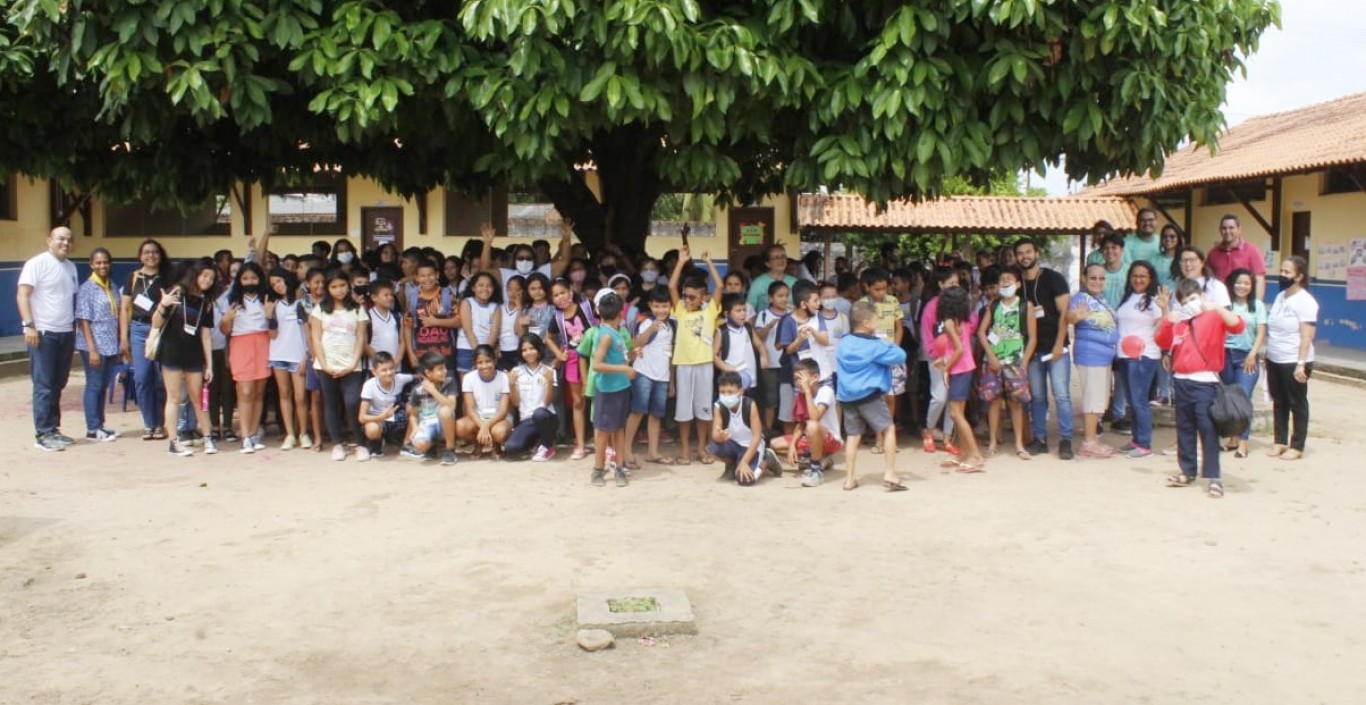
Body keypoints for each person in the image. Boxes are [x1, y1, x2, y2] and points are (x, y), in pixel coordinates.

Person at [1157, 279, 1246, 499]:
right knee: (1185, 427)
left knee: (1208, 429)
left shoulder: (1214, 316)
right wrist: (1166, 316)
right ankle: (1187, 471)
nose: (1190, 304)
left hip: (1205, 382)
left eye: (1194, 299)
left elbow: (1238, 326)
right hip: (1180, 380)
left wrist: (1215, 307)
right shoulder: (1180, 321)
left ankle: (1214, 476)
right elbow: (1162, 340)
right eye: (1185, 301)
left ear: (1203, 297)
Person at [836, 301, 909, 492]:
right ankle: (890, 473)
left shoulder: (844, 342)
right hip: (869, 395)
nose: (879, 322)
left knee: (853, 436)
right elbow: (900, 355)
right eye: (876, 320)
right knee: (889, 428)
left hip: (847, 396)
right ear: (867, 323)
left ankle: (849, 479)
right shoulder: (876, 346)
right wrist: (883, 342)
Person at [1016, 237, 1075, 460]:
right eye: (1020, 253)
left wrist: (1060, 343)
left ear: (1037, 253)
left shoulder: (1054, 279)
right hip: (1031, 351)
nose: (1025, 256)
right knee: (1037, 397)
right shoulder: (1017, 283)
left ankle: (1066, 440)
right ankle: (1039, 439)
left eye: (1028, 251)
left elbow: (1065, 314)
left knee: (1061, 395)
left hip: (1056, 349)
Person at [152, 261, 218, 457]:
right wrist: (163, 305)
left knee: (198, 398)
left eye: (212, 278)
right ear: (196, 274)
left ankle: (208, 438)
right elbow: (156, 323)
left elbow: (205, 336)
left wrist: (210, 365)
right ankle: (173, 442)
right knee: (174, 398)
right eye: (205, 275)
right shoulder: (177, 292)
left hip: (194, 354)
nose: (208, 280)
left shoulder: (206, 303)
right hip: (171, 352)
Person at [668, 242, 724, 466]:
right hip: (683, 365)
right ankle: (684, 449)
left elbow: (720, 287)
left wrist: (709, 262)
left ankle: (702, 447)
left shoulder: (710, 311)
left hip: (704, 364)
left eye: (692, 297)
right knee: (684, 411)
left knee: (704, 409)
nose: (687, 300)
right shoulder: (680, 311)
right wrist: (681, 262)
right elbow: (672, 287)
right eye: (686, 296)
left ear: (704, 297)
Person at [977, 265, 1035, 460]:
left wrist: (1024, 363)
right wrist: (991, 357)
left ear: (1018, 284)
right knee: (993, 402)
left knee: (1016, 403)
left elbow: (1033, 338)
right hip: (993, 362)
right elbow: (982, 333)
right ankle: (993, 442)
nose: (1005, 283)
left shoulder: (1026, 306)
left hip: (1015, 361)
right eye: (1002, 279)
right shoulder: (993, 306)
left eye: (1009, 279)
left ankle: (1019, 443)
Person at [310, 269, 369, 461]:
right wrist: (324, 364)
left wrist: (353, 363)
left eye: (342, 285)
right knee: (331, 404)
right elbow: (316, 338)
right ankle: (337, 444)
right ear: (328, 288)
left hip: (352, 365)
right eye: (334, 287)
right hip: (327, 365)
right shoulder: (319, 309)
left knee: (352, 403)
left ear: (349, 285)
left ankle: (361, 443)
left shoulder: (358, 309)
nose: (339, 290)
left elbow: (361, 337)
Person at [1265, 255, 1317, 461]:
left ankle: (1297, 445)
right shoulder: (1280, 297)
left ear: (1299, 276)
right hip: (1275, 356)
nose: (1282, 275)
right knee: (1279, 400)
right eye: (1282, 271)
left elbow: (1307, 335)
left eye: (1287, 272)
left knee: (1297, 402)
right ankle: (1280, 441)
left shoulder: (1305, 301)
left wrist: (1301, 364)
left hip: (1293, 359)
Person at [120, 238, 171, 441]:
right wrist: (123, 336)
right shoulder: (132, 278)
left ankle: (161, 423)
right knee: (142, 378)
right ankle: (149, 424)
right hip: (139, 331)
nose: (151, 255)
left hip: (160, 330)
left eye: (155, 252)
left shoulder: (166, 278)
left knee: (160, 380)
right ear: (141, 256)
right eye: (147, 252)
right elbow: (124, 308)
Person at [1113, 261, 1165, 459]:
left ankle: (1144, 444)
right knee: (1132, 401)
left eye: (1143, 276)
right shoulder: (1128, 297)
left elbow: (1163, 327)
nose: (1138, 279)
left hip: (1143, 356)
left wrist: (1164, 308)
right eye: (1135, 275)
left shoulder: (1154, 301)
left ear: (1150, 278)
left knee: (1139, 400)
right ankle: (1136, 439)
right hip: (1125, 356)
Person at [1068, 264, 1120, 459]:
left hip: (1104, 356)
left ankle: (1093, 438)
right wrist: (1076, 316)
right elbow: (1070, 317)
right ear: (1084, 278)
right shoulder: (1080, 298)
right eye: (1093, 278)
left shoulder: (1102, 300)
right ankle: (1089, 442)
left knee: (1099, 398)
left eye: (1101, 278)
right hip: (1091, 356)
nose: (1097, 282)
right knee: (1093, 397)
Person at [544, 278, 597, 460]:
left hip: (594, 356)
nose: (560, 297)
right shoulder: (557, 318)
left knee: (600, 399)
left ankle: (604, 442)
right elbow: (548, 338)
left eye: (563, 292)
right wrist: (559, 355)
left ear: (571, 290)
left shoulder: (587, 306)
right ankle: (580, 445)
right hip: (573, 359)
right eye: (556, 295)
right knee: (578, 401)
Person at [221, 263, 272, 451]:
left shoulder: (267, 298)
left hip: (263, 343)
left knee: (259, 392)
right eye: (245, 278)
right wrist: (227, 319)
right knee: (245, 391)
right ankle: (245, 436)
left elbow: (273, 326)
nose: (250, 282)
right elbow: (225, 330)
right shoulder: (232, 300)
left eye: (253, 278)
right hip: (241, 344)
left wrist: (269, 315)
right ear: (239, 281)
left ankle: (253, 433)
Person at [935, 287, 985, 472]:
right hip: (965, 368)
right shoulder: (962, 320)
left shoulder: (949, 322)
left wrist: (946, 368)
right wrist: (944, 360)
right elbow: (958, 347)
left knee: (956, 414)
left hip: (959, 370)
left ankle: (975, 455)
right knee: (958, 415)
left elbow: (959, 350)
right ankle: (963, 454)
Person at [74, 248, 122, 442]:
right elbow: (83, 320)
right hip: (94, 345)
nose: (103, 266)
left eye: (106, 262)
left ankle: (100, 425)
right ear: (91, 264)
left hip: (110, 344)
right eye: (98, 263)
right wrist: (92, 349)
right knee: (94, 385)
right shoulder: (87, 288)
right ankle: (92, 429)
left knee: (102, 385)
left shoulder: (111, 285)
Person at [770, 358, 842, 487]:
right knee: (775, 444)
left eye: (801, 379)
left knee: (812, 425)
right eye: (796, 379)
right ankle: (817, 460)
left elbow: (814, 419)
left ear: (815, 377)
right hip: (811, 436)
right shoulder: (801, 395)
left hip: (830, 439)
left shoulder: (826, 391)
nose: (798, 383)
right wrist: (792, 445)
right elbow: (801, 424)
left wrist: (808, 392)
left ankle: (816, 470)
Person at [588, 294, 635, 487]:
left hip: (620, 387)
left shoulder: (614, 332)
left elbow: (618, 356)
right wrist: (624, 369)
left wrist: (630, 357)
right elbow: (597, 365)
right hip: (608, 390)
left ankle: (619, 466)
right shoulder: (606, 335)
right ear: (620, 313)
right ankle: (598, 469)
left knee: (618, 429)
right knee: (603, 432)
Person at [625, 287, 675, 466]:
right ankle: (626, 451)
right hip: (643, 374)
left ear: (670, 305)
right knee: (637, 412)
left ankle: (653, 452)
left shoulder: (672, 325)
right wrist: (650, 330)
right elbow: (633, 345)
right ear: (650, 306)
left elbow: (670, 355)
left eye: (665, 306)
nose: (661, 310)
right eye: (657, 306)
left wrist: (672, 382)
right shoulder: (647, 322)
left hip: (662, 376)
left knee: (656, 414)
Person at [859, 267, 906, 454]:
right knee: (875, 397)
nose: (881, 293)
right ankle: (878, 436)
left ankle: (888, 436)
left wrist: (895, 347)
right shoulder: (861, 305)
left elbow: (899, 327)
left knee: (891, 397)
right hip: (871, 358)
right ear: (866, 287)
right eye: (877, 289)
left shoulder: (893, 301)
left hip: (890, 354)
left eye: (884, 288)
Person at [1222, 268, 1267, 459]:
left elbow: (1261, 333)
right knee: (1230, 400)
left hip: (1246, 358)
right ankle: (1232, 439)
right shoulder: (1226, 305)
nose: (1242, 286)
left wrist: (1252, 354)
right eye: (1239, 283)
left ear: (1252, 286)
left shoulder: (1257, 306)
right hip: (1225, 356)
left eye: (1247, 283)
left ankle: (1243, 442)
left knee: (1244, 399)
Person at [707, 371, 781, 486]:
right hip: (733, 444)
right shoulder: (719, 406)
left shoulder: (749, 405)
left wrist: (745, 462)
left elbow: (757, 436)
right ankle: (732, 466)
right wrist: (720, 437)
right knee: (713, 448)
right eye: (722, 392)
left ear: (740, 391)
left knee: (746, 480)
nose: (726, 396)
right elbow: (715, 435)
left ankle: (767, 460)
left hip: (751, 446)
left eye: (730, 392)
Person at [918, 268, 960, 454]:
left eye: (956, 284)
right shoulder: (931, 306)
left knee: (953, 399)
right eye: (950, 283)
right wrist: (935, 354)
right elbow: (926, 334)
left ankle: (947, 438)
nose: (954, 287)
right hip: (937, 358)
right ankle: (929, 432)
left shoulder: (959, 304)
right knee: (939, 397)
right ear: (941, 285)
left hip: (957, 357)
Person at [505, 334, 558, 460]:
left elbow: (548, 401)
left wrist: (550, 381)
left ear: (539, 349)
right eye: (524, 350)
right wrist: (512, 384)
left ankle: (547, 447)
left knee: (539, 414)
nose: (528, 353)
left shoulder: (548, 370)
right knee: (511, 447)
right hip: (527, 420)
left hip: (546, 417)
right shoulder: (516, 372)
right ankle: (536, 442)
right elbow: (516, 403)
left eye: (532, 348)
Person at [403, 351, 459, 465]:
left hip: (444, 423)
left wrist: (433, 391)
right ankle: (431, 446)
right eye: (440, 369)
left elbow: (452, 405)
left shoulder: (450, 382)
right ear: (428, 373)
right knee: (419, 444)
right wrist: (414, 427)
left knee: (445, 411)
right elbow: (413, 413)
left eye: (444, 368)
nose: (445, 371)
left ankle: (450, 450)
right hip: (427, 423)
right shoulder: (417, 390)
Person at [456, 345, 512, 459]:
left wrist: (486, 426)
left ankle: (496, 444)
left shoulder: (503, 377)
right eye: (480, 362)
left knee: (500, 432)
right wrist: (482, 426)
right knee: (460, 427)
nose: (484, 366)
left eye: (488, 361)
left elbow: (503, 410)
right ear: (475, 364)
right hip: (477, 418)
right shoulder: (468, 378)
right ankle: (478, 443)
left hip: (498, 419)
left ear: (495, 360)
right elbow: (470, 408)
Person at [359, 351, 412, 458]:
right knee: (372, 429)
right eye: (384, 370)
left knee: (412, 407)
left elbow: (419, 376)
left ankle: (406, 443)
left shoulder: (399, 378)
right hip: (377, 418)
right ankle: (376, 444)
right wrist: (381, 417)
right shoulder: (369, 385)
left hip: (397, 417)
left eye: (391, 368)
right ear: (374, 371)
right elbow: (362, 417)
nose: (389, 373)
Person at [752, 281, 789, 431]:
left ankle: (784, 427)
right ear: (770, 298)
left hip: (787, 363)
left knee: (786, 397)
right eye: (780, 296)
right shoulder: (763, 315)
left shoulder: (791, 314)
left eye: (786, 296)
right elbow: (758, 336)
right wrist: (769, 326)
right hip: (770, 362)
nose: (784, 299)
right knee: (770, 398)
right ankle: (768, 428)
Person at [1207, 214, 1267, 301]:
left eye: (1231, 228)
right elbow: (1208, 278)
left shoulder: (1252, 251)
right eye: (1224, 228)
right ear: (1220, 230)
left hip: (1243, 303)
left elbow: (1259, 279)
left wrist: (1257, 304)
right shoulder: (1213, 253)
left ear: (1239, 229)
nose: (1227, 231)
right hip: (1219, 302)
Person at [747, 245, 798, 317]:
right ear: (767, 264)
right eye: (776, 258)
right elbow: (749, 310)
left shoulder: (794, 282)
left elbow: (801, 306)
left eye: (783, 257)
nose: (781, 260)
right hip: (765, 326)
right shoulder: (758, 283)